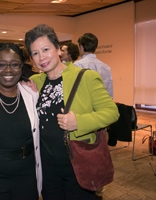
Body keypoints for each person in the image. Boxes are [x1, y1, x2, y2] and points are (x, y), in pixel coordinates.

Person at [24, 24, 119, 200]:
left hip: (78, 165)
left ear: (59, 49)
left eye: (46, 49)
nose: (41, 57)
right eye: (35, 53)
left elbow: (112, 112)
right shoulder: (34, 81)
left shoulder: (86, 77)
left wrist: (79, 122)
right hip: (46, 167)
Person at [0, 43, 42, 200]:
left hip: (27, 175)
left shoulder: (32, 95)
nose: (8, 70)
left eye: (15, 64)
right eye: (1, 65)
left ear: (22, 66)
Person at [74, 33, 115, 199]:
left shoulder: (76, 66)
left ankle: (84, 183)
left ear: (82, 47)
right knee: (100, 151)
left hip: (82, 117)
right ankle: (99, 187)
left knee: (82, 152)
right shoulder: (105, 67)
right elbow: (110, 96)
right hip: (100, 116)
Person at [74, 33, 113, 98]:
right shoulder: (106, 67)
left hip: (84, 105)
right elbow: (110, 94)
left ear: (81, 47)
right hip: (101, 104)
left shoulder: (77, 65)